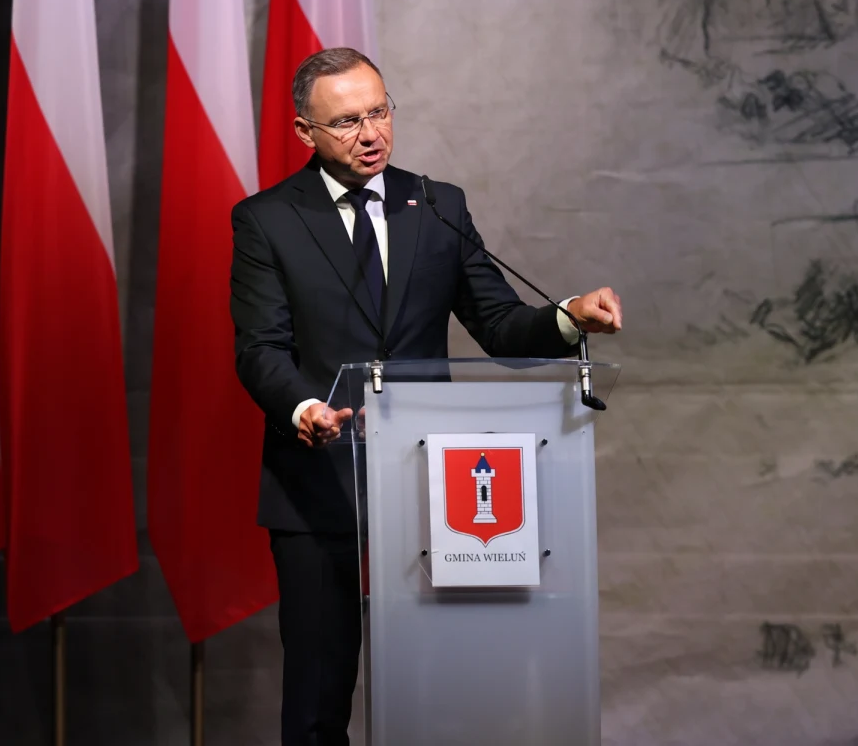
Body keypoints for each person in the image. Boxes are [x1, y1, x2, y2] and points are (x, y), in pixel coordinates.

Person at [228, 46, 622, 745]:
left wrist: (569, 315)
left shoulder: (436, 204)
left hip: (434, 480)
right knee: (319, 695)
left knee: (441, 688)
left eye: (379, 112)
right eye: (346, 121)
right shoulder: (266, 220)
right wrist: (303, 408)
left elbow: (500, 325)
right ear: (304, 132)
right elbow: (260, 348)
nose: (371, 132)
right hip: (318, 481)